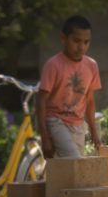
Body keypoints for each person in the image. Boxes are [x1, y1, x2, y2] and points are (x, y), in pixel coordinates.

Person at [36, 15, 102, 159]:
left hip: (78, 125)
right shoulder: (53, 65)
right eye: (76, 41)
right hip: (56, 121)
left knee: (71, 174)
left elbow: (89, 101)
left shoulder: (91, 66)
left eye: (86, 42)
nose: (81, 47)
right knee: (76, 164)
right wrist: (44, 138)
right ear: (63, 38)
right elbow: (40, 101)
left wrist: (94, 132)